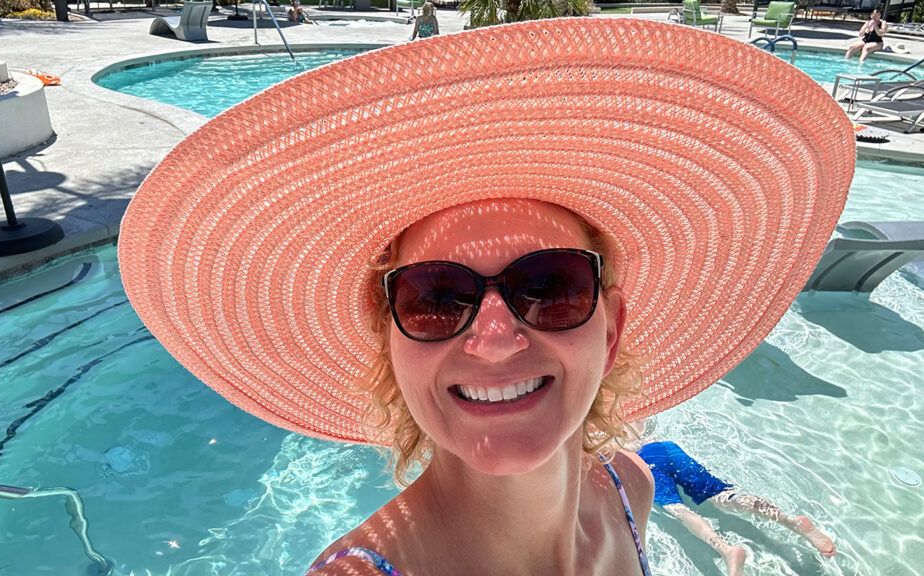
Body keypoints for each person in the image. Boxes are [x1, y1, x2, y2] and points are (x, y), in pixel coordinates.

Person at [117, 18, 856, 576]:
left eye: (551, 287)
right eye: (435, 297)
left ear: (614, 325)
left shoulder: (631, 490)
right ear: (388, 338)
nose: (497, 338)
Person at [630, 425, 835, 576]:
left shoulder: (598, 417)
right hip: (665, 448)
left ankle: (726, 550)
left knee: (678, 509)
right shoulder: (639, 400)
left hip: (642, 461)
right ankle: (792, 522)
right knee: (722, 495)